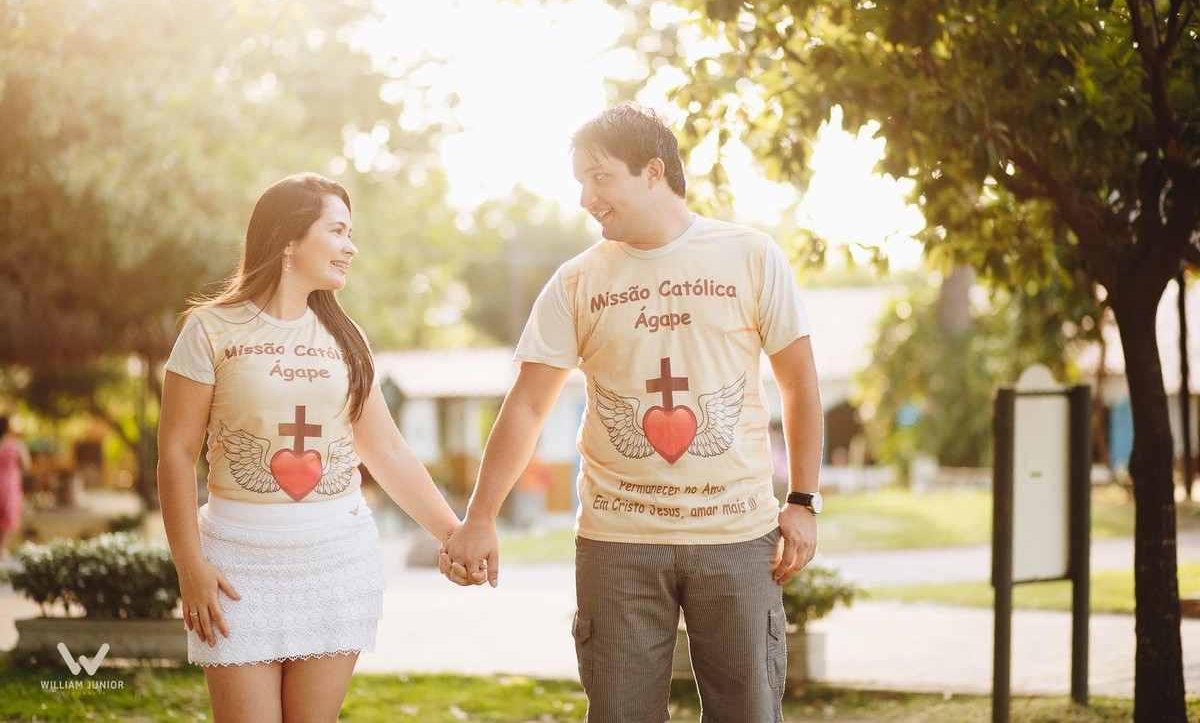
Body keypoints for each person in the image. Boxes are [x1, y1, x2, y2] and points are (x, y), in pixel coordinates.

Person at [441, 103, 824, 722]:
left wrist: (803, 501)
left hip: (735, 538)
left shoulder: (750, 256)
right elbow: (527, 406)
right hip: (616, 542)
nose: (587, 198)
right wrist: (481, 515)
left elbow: (800, 387)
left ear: (652, 172)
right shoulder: (575, 282)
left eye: (599, 178)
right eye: (579, 184)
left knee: (749, 712)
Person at [158, 173, 462, 723]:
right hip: (237, 566)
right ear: (290, 239)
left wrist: (453, 533)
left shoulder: (347, 339)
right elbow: (176, 453)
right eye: (338, 230)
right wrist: (189, 564)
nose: (351, 246)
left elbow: (387, 451)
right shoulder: (210, 329)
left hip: (335, 560)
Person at [0, 415, 31, 560]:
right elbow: (26, 464)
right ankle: (3, 549)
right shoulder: (15, 444)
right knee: (8, 515)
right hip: (9, 482)